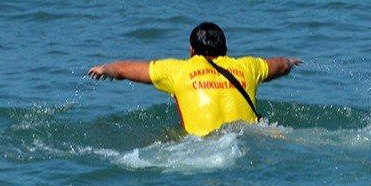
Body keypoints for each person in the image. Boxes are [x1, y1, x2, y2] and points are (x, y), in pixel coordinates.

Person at [88, 22, 301, 136]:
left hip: (201, 147)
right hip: (256, 135)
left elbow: (123, 69)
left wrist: (104, 68)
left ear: (191, 50)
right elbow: (281, 65)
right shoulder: (248, 66)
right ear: (225, 49)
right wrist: (290, 62)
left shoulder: (177, 70)